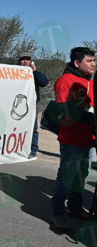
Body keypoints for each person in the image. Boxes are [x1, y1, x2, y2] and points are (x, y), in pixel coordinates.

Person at [50, 47, 95, 231]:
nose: (93, 64)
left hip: (89, 137)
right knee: (67, 176)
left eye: (94, 60)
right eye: (89, 60)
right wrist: (86, 117)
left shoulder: (90, 81)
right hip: (71, 138)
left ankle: (74, 209)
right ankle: (57, 213)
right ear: (77, 63)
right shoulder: (65, 80)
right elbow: (63, 109)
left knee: (81, 175)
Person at [19, 53, 48, 159]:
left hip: (32, 104)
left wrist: (35, 71)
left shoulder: (34, 73)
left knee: (33, 127)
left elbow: (44, 82)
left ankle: (33, 148)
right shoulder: (13, 72)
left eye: (28, 59)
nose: (25, 61)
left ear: (31, 62)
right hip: (16, 104)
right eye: (23, 59)